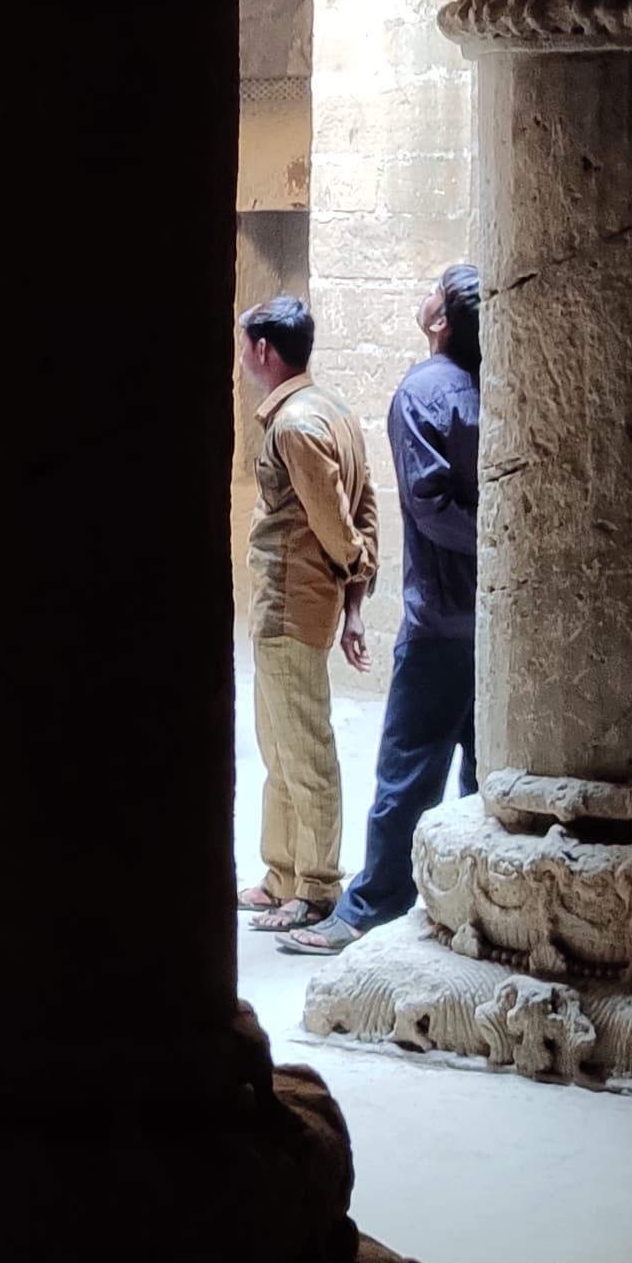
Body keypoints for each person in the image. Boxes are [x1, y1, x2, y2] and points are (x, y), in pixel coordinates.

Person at [283, 265, 482, 959]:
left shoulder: (424, 392)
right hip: (495, 619)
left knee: (405, 772)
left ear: (441, 322)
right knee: (483, 774)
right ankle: (469, 899)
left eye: (431, 291)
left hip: (442, 620)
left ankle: (374, 904)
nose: (422, 294)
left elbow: (428, 504)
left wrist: (487, 543)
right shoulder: (494, 385)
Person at [233, 294, 378, 939]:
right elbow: (367, 500)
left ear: (264, 350)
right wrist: (355, 596)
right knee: (278, 743)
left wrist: (353, 571)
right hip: (289, 607)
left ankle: (316, 887)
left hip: (293, 604)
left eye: (244, 347)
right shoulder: (333, 411)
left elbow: (338, 522)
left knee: (304, 747)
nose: (240, 361)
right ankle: (282, 873)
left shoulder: (294, 425)